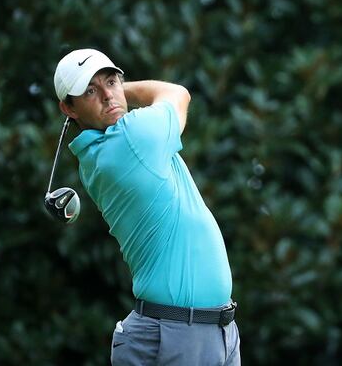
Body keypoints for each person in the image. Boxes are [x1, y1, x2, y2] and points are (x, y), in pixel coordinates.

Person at [53, 48, 240, 365]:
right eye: (90, 91)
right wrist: (123, 90)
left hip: (208, 331)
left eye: (111, 82)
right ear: (68, 108)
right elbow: (176, 93)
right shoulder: (131, 139)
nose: (108, 96)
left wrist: (105, 90)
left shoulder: (100, 152)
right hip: (178, 334)